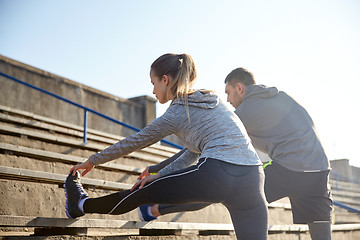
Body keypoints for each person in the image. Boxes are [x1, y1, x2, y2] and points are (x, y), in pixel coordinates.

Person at [64, 54, 268, 240]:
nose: (153, 91)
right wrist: (162, 174)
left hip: (219, 172)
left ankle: (80, 204)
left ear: (165, 80)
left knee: (141, 191)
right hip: (253, 178)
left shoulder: (177, 112)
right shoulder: (212, 100)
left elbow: (136, 141)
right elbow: (192, 152)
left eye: (153, 83)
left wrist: (93, 160)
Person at [138, 68, 333, 240]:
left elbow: (198, 148)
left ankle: (153, 209)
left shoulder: (247, 110)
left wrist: (158, 169)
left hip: (288, 169)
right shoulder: (279, 97)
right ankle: (156, 209)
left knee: (220, 188)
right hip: (319, 171)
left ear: (240, 88)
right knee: (322, 235)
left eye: (229, 93)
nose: (228, 101)